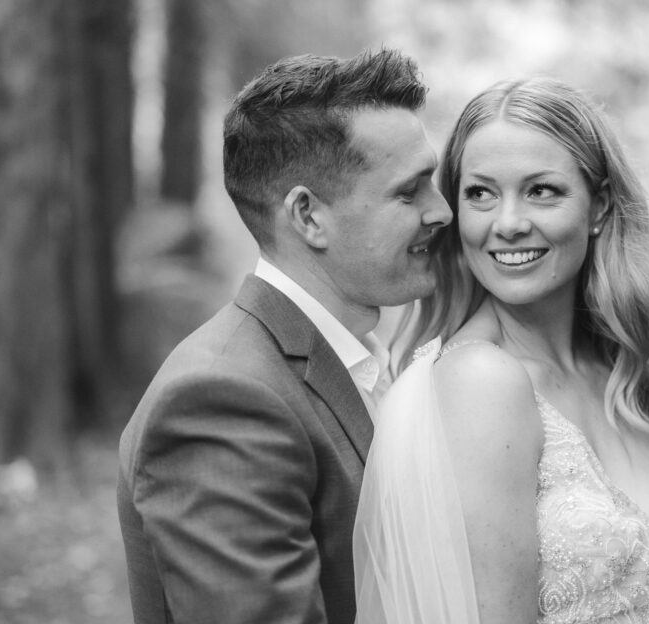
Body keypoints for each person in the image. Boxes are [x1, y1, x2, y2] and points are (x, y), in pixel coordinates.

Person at [353, 77, 649, 624]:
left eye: (542, 190)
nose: (509, 223)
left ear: (598, 208)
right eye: (480, 193)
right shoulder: (480, 381)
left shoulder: (621, 367)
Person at [117, 48, 451, 624]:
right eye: (409, 191)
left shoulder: (363, 360)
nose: (441, 210)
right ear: (309, 216)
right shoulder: (221, 399)